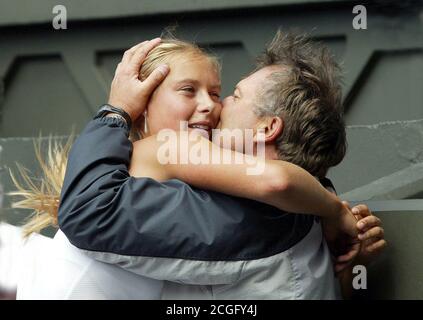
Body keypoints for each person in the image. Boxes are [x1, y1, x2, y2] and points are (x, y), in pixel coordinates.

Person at [12, 33, 385, 299]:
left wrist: (348, 258)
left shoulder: (288, 209)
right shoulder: (165, 155)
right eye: (189, 91)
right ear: (144, 104)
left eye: (224, 93)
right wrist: (332, 208)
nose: (214, 105)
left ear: (268, 128)